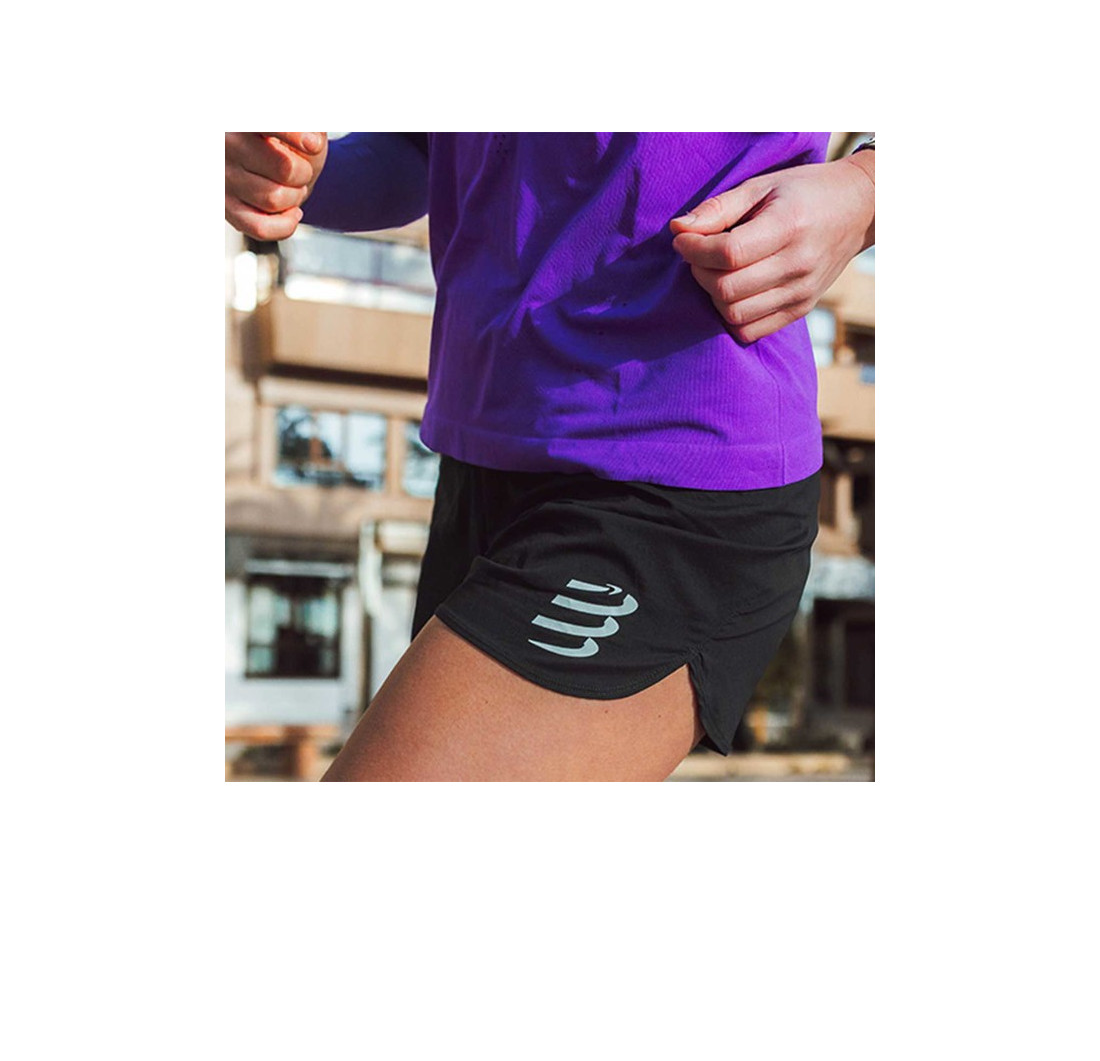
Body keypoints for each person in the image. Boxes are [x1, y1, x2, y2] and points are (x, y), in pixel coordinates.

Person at [224, 131, 875, 781]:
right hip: (481, 460)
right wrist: (298, 173)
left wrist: (864, 187)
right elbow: (427, 151)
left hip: (677, 466)